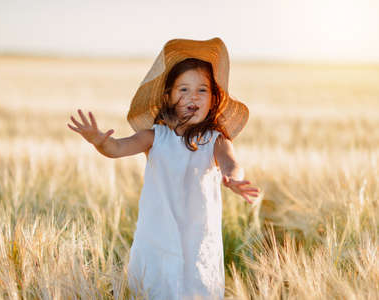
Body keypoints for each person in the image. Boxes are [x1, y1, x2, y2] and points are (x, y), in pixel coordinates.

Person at [67, 37, 261, 300]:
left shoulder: (215, 140)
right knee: (152, 289)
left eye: (202, 90)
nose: (193, 96)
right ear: (168, 97)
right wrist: (100, 142)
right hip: (156, 236)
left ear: (213, 99)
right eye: (183, 89)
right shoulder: (154, 136)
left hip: (198, 239)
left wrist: (233, 178)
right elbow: (117, 149)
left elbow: (231, 163)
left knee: (196, 289)